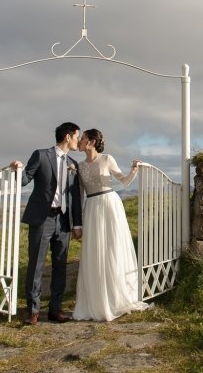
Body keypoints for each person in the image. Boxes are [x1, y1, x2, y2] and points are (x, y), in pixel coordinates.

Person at [72, 128, 150, 321]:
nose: (80, 141)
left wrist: (133, 170)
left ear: (91, 141)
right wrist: (78, 222)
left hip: (109, 204)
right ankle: (98, 301)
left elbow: (123, 182)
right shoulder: (79, 166)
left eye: (82, 138)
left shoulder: (107, 159)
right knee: (95, 251)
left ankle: (118, 296)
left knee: (113, 247)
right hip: (91, 207)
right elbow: (79, 195)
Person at [11, 121, 83, 325]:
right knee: (36, 265)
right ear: (67, 137)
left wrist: (77, 224)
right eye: (77, 136)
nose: (78, 141)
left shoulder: (73, 164)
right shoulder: (41, 155)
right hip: (42, 219)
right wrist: (17, 169)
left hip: (63, 221)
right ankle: (33, 311)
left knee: (60, 265)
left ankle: (55, 309)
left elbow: (75, 198)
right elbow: (25, 180)